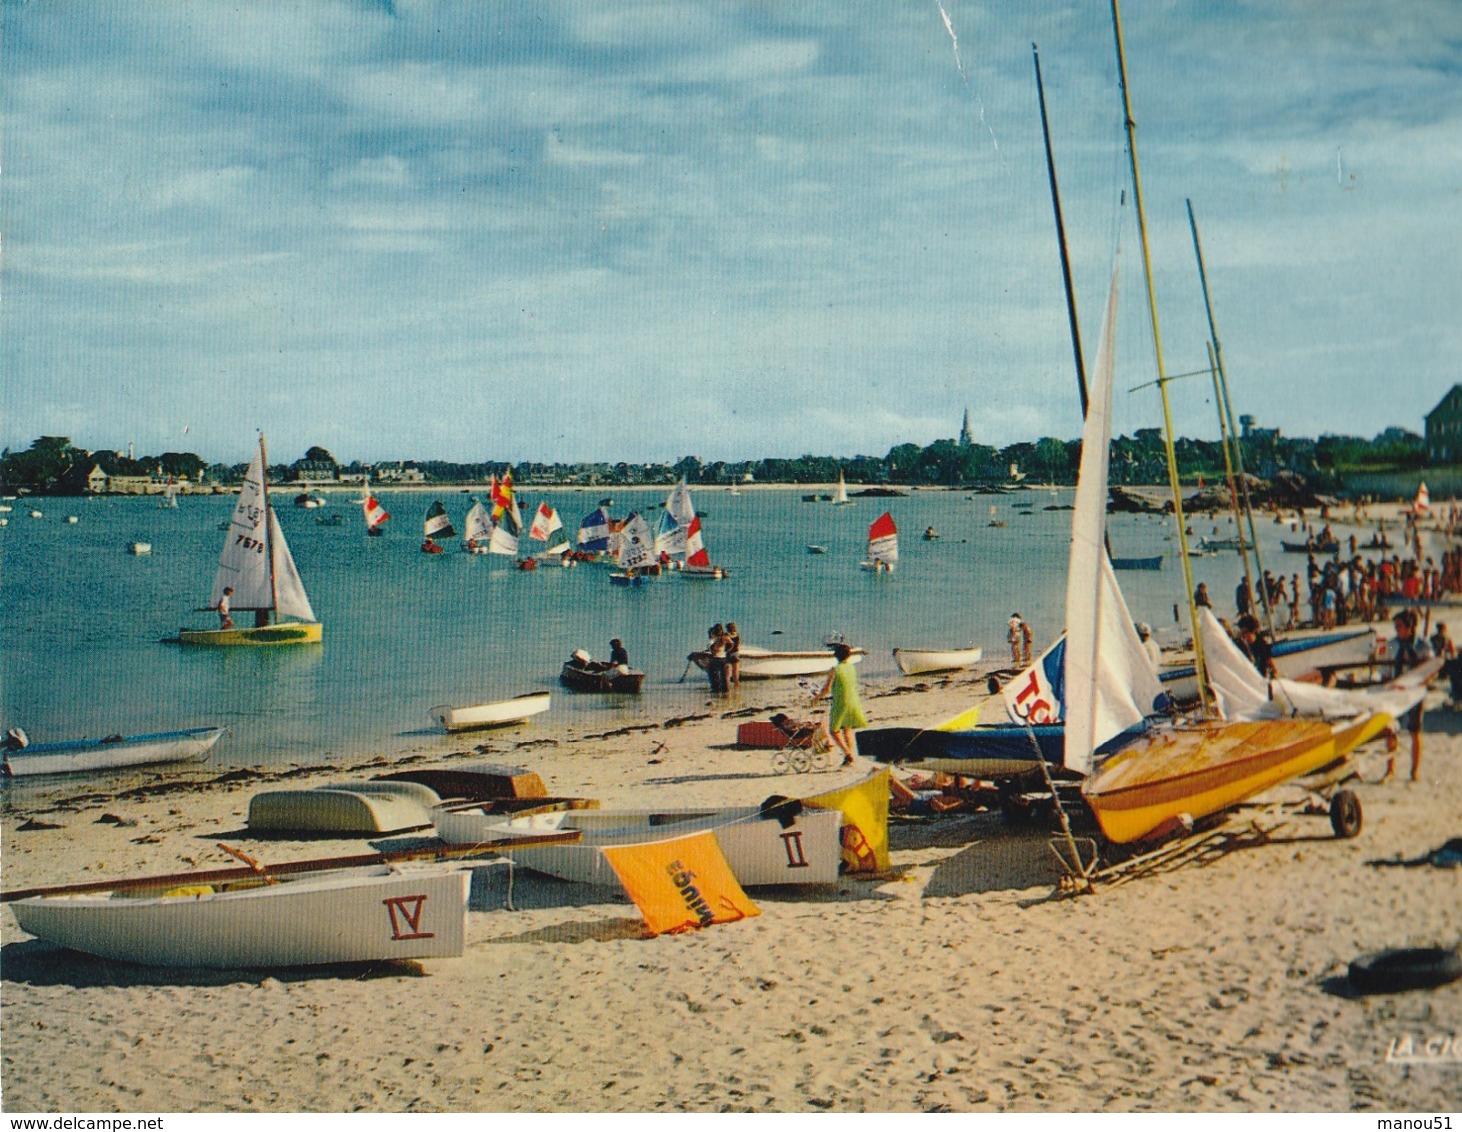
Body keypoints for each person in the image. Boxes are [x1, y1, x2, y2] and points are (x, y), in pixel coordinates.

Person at [1382, 610, 1432, 783]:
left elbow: (1430, 670)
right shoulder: (1392, 645)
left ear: (1410, 627)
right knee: (1391, 730)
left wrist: (1420, 684)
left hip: (1415, 693)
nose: (1396, 630)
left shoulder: (1423, 645)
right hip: (1395, 692)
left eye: (1400, 626)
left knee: (1415, 731)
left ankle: (1414, 771)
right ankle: (1390, 769)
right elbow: (1385, 670)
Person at [811, 643, 868, 767]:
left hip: (841, 702)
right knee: (847, 729)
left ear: (836, 656)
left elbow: (826, 689)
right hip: (853, 700)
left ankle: (848, 755)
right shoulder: (852, 668)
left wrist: (817, 698)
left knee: (834, 731)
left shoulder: (835, 669)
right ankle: (850, 757)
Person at [703, 624, 728, 693]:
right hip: (723, 658)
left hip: (716, 658)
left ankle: (716, 689)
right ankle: (725, 690)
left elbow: (712, 647)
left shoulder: (714, 639)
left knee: (713, 674)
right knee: (723, 675)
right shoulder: (723, 637)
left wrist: (711, 651)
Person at [724, 621, 741, 688]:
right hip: (735, 653)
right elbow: (737, 645)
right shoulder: (737, 635)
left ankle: (727, 685)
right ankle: (736, 685)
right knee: (735, 671)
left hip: (728, 653)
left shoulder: (726, 635)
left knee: (727, 672)